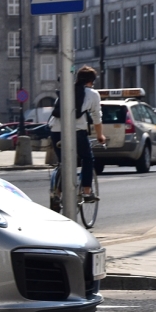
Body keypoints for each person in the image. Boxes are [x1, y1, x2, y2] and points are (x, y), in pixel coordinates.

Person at [49, 66, 106, 212]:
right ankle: (87, 191)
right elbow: (96, 118)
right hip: (76, 131)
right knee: (87, 159)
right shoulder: (92, 94)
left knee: (64, 162)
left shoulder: (66, 91)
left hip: (55, 130)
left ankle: (57, 193)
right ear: (91, 81)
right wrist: (100, 136)